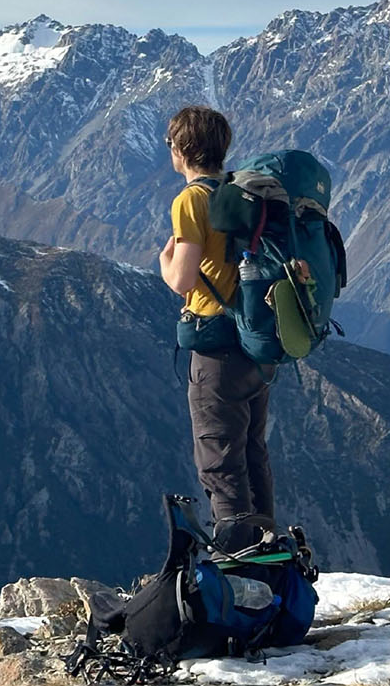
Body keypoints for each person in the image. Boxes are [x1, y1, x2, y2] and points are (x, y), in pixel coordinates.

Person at [157, 106, 276, 544]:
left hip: (214, 347)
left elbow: (183, 279)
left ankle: (240, 566)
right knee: (252, 453)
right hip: (254, 344)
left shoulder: (192, 199)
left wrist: (165, 261)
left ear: (184, 149)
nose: (169, 150)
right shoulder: (238, 193)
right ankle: (269, 557)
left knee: (220, 461)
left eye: (170, 143)